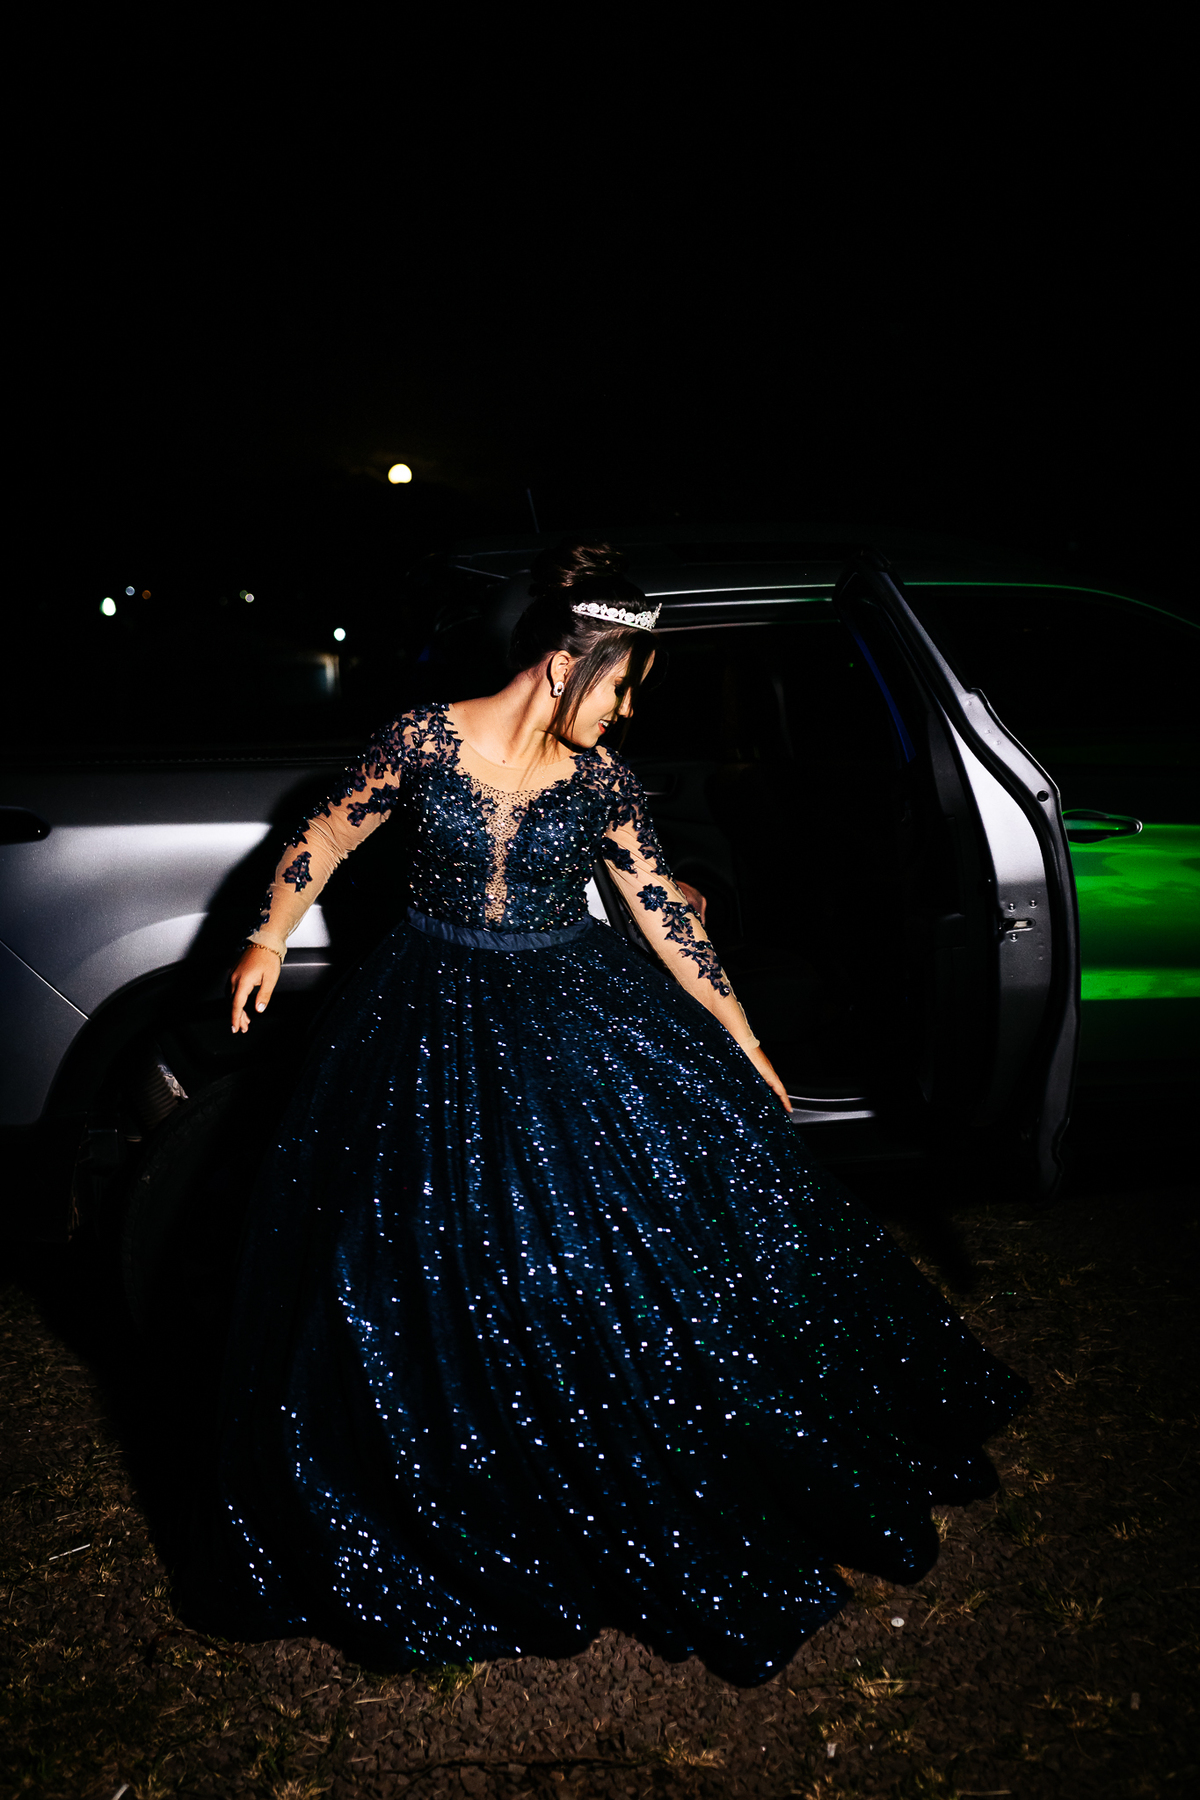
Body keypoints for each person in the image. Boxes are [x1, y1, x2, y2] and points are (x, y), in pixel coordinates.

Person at [184, 540, 1027, 1686]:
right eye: (621, 684)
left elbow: (663, 915)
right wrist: (265, 937)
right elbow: (328, 831)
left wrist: (743, 1038)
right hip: (425, 1008)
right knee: (408, 1257)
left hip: (568, 1001)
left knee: (625, 1242)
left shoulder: (603, 784)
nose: (626, 710)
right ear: (560, 664)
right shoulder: (424, 738)